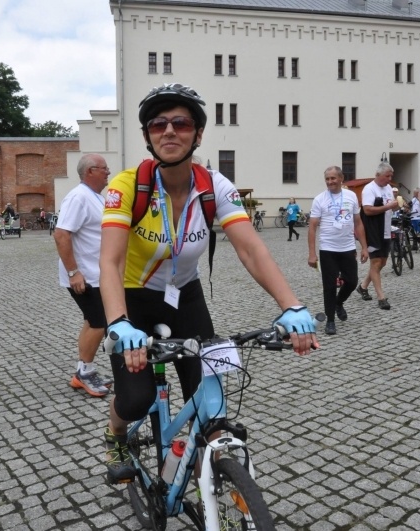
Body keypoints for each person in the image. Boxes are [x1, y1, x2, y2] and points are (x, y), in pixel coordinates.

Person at [99, 83, 318, 483]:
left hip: (185, 296)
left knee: (211, 402)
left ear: (197, 134)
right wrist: (117, 322)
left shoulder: (214, 187)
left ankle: (211, 483)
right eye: (158, 124)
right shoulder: (127, 186)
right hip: (132, 300)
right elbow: (109, 262)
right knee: (136, 399)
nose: (169, 131)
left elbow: (252, 250)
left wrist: (291, 305)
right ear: (148, 135)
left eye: (180, 123)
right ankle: (115, 438)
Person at [54, 153, 113, 398]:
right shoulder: (78, 197)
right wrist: (74, 272)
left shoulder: (94, 197)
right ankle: (84, 374)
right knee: (99, 322)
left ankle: (84, 369)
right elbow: (61, 234)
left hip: (96, 274)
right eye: (104, 168)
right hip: (85, 276)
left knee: (93, 321)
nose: (108, 172)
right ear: (89, 171)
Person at [307, 166, 368, 336]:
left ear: (341, 178)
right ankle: (331, 320)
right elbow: (312, 227)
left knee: (352, 281)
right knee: (329, 286)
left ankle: (339, 302)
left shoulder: (351, 196)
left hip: (347, 247)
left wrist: (364, 246)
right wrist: (312, 253)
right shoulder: (320, 199)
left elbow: (358, 222)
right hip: (328, 249)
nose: (330, 182)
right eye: (327, 179)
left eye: (333, 178)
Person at [357, 162, 398, 310]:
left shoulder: (387, 188)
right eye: (387, 176)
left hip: (386, 229)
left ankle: (363, 286)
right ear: (378, 175)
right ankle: (381, 297)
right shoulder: (369, 189)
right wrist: (388, 206)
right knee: (375, 263)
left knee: (382, 262)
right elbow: (367, 210)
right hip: (372, 230)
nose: (389, 179)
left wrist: (395, 202)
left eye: (391, 176)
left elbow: (393, 207)